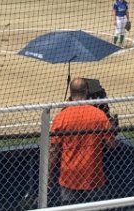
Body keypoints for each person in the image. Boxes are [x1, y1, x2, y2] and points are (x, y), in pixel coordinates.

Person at [50, 77, 117, 205]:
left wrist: (48, 176)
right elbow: (112, 145)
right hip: (93, 175)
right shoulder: (99, 115)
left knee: (70, 207)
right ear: (86, 91)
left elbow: (54, 150)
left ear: (71, 93)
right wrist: (111, 130)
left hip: (69, 177)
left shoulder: (61, 117)